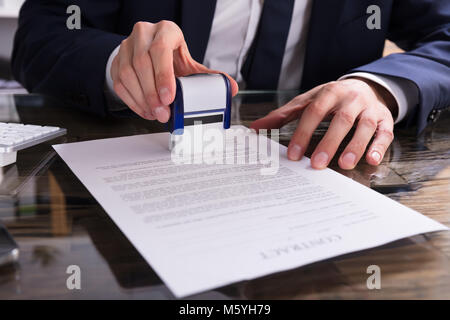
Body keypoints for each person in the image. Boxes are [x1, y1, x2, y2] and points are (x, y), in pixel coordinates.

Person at [12, 0, 450, 170]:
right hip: (144, 158)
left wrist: (382, 86)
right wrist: (116, 64)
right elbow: (42, 32)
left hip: (314, 168)